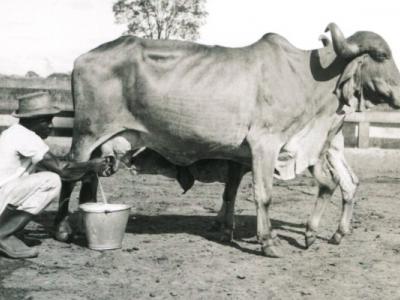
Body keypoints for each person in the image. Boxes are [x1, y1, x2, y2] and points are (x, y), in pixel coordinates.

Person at [0, 91, 110, 259]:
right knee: (51, 181)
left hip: (4, 192)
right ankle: (3, 235)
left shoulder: (14, 133)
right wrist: (91, 165)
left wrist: (85, 169)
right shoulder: (26, 137)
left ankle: (9, 230)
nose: (51, 126)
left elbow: (59, 166)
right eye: (46, 121)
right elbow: (63, 170)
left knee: (42, 177)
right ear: (32, 121)